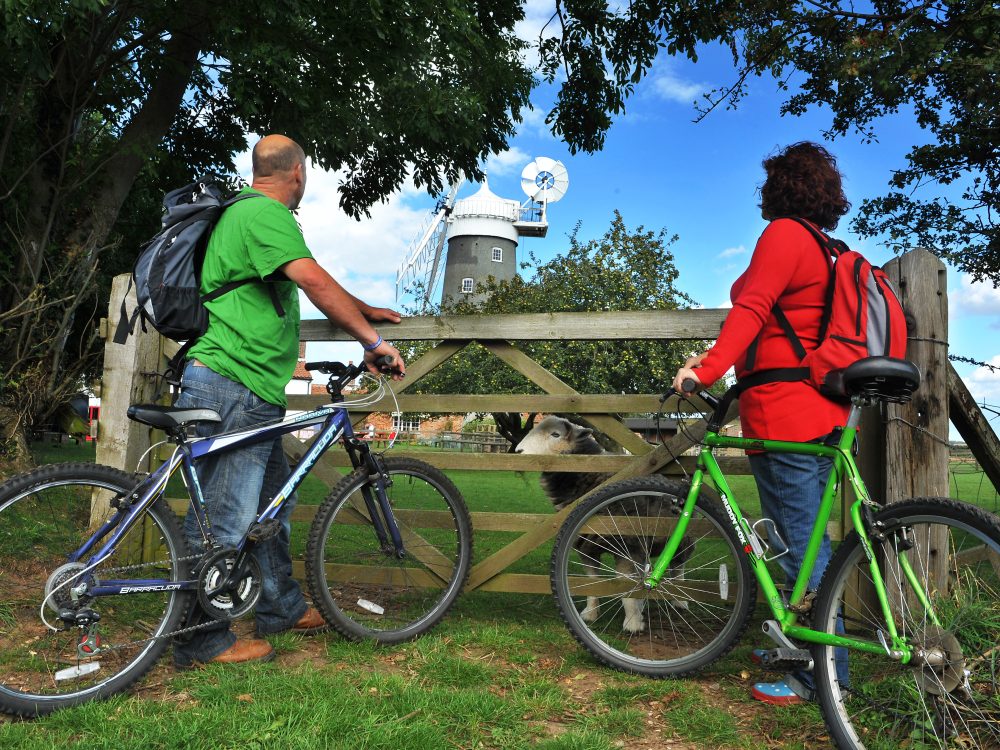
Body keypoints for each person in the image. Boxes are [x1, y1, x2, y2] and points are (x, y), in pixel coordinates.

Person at [172, 134, 406, 668]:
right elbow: (312, 278)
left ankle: (279, 607)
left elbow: (306, 283)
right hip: (233, 381)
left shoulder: (245, 216)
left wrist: (362, 308)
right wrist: (371, 341)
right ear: (297, 172)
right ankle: (200, 638)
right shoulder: (263, 214)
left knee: (272, 504)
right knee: (228, 518)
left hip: (247, 386)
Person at [672, 141, 850, 705]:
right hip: (815, 408)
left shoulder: (785, 236)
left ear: (780, 188)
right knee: (807, 542)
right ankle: (809, 652)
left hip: (786, 411)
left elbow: (751, 309)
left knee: (803, 549)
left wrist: (705, 369)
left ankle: (824, 677)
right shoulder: (824, 246)